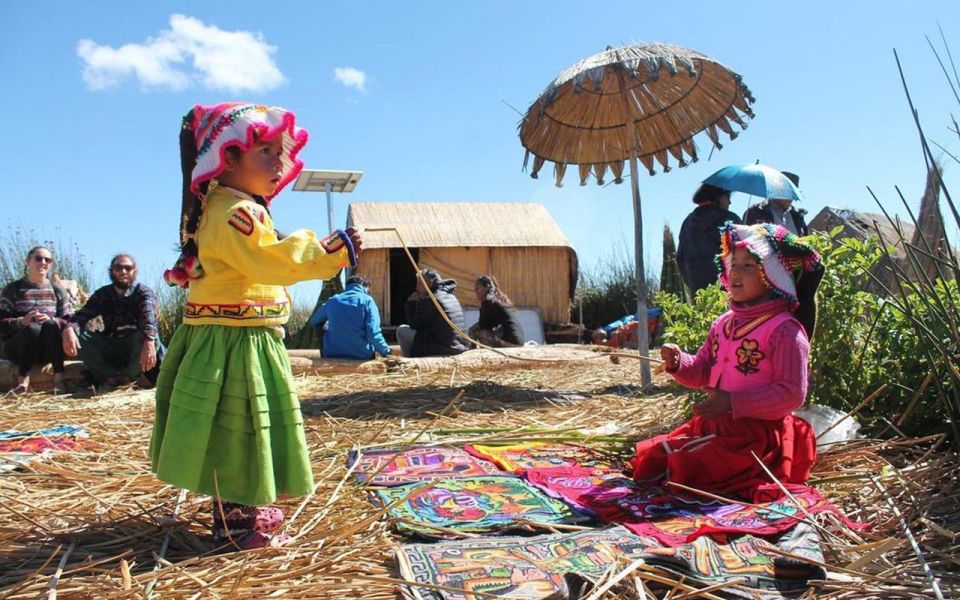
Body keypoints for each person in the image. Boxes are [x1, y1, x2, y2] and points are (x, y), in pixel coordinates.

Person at [150, 102, 363, 551]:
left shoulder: (229, 206)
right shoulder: (235, 213)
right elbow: (270, 261)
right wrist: (331, 250)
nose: (280, 164)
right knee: (239, 430)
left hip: (239, 335)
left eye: (282, 155)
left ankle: (241, 508)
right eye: (266, 152)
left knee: (239, 427)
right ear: (226, 157)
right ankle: (234, 527)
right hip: (234, 342)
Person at [631, 222, 825, 499]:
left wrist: (732, 402)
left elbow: (792, 394)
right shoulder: (723, 324)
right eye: (733, 263)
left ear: (773, 275)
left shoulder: (784, 330)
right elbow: (702, 371)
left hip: (756, 436)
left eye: (748, 265)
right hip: (715, 426)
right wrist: (679, 363)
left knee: (691, 469)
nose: (735, 271)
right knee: (656, 458)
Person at [64, 254, 165, 388]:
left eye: (128, 268)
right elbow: (82, 316)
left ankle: (127, 377)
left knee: (151, 336)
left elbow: (149, 320)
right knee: (77, 333)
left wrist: (149, 340)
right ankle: (109, 376)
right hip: (111, 344)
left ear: (134, 271)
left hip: (134, 347)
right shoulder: (103, 294)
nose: (123, 271)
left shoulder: (143, 292)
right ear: (111, 271)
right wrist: (69, 329)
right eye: (118, 268)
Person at [0, 246, 73, 395]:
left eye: (48, 260)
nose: (43, 262)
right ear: (28, 261)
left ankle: (59, 378)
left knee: (50, 324)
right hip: (18, 349)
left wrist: (52, 319)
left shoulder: (58, 290)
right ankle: (23, 380)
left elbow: (69, 320)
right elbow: (2, 322)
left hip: (49, 348)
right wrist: (21, 321)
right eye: (39, 258)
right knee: (32, 328)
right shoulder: (13, 289)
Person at [676, 184, 742, 296]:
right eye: (728, 197)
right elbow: (742, 252)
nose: (729, 202)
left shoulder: (687, 222)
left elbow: (680, 259)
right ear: (719, 196)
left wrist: (694, 285)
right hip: (730, 291)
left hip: (700, 295)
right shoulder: (728, 219)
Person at [308, 274, 391, 360]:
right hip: (361, 355)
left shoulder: (332, 300)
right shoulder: (367, 301)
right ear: (365, 287)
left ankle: (328, 351)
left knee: (321, 324)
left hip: (332, 353)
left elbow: (314, 321)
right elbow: (373, 333)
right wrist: (386, 352)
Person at [396, 268, 467, 357]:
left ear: (430, 283)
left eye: (420, 284)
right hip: (459, 345)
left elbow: (414, 324)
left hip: (445, 347)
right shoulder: (450, 295)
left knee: (402, 330)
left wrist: (411, 303)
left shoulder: (432, 299)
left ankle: (409, 360)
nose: (417, 288)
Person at [742, 171, 809, 236]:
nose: (789, 197)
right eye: (786, 191)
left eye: (793, 193)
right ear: (776, 189)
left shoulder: (798, 216)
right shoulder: (755, 212)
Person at [468, 275, 523, 347]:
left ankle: (473, 350)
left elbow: (484, 325)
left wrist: (482, 307)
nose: (475, 291)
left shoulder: (489, 301)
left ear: (487, 288)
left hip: (511, 343)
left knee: (475, 331)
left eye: (477, 288)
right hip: (519, 341)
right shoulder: (499, 300)